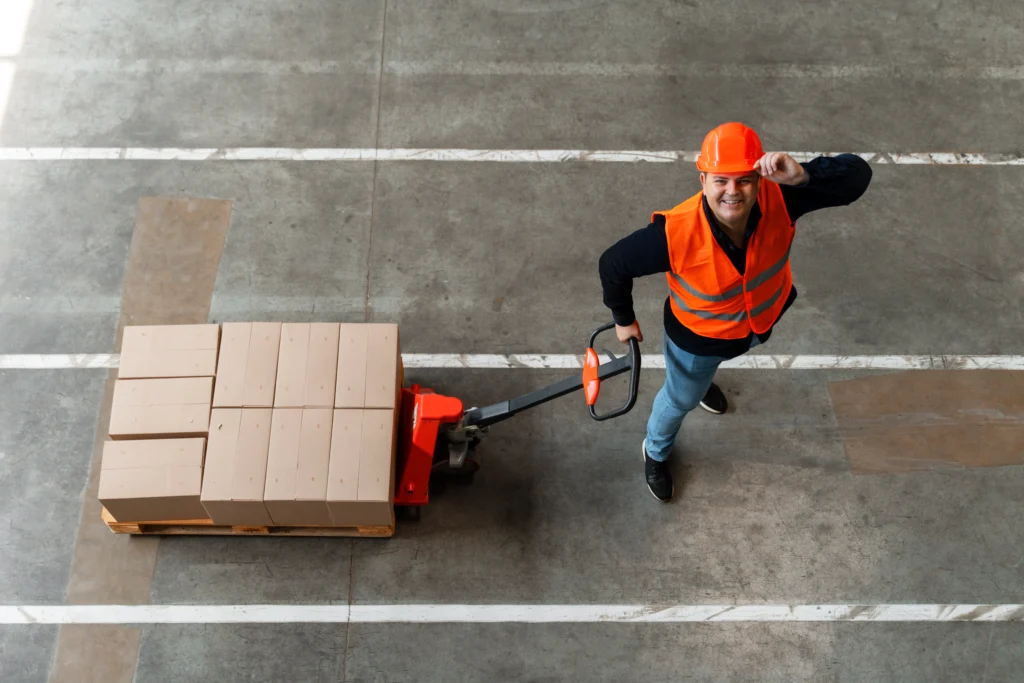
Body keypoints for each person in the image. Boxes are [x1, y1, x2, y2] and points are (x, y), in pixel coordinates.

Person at [598, 122, 872, 502]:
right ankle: (655, 451)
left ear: (759, 179)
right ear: (703, 180)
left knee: (698, 381)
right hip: (697, 343)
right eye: (721, 180)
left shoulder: (784, 196)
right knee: (679, 399)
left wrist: (805, 176)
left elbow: (858, 177)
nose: (732, 191)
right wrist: (623, 319)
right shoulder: (673, 234)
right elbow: (612, 264)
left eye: (743, 180)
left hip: (753, 329)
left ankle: (700, 385)